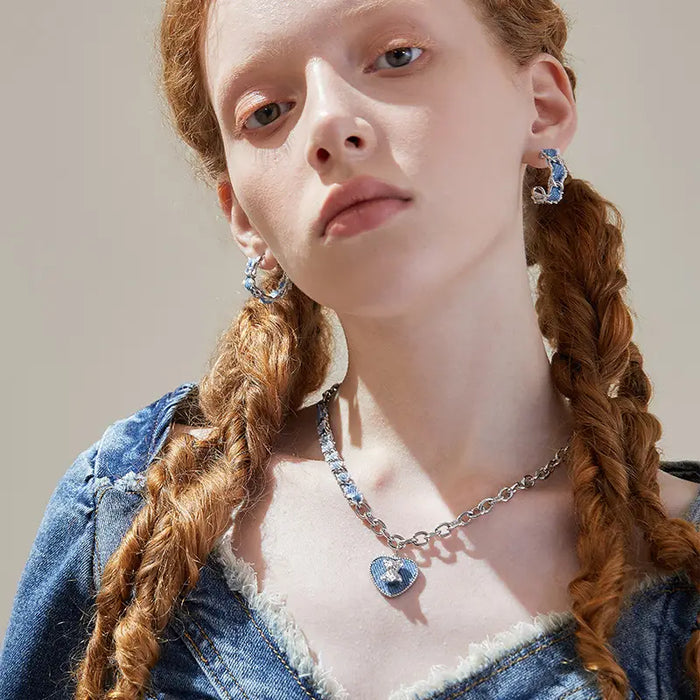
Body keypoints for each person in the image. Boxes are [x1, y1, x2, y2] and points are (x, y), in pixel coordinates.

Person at [1, 0, 699, 698]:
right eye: (268, 111)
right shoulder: (131, 518)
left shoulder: (684, 575)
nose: (330, 124)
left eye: (396, 56)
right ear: (242, 215)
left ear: (541, 106)